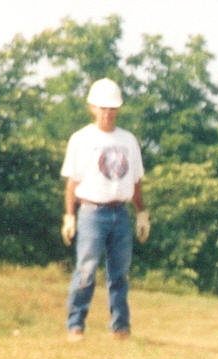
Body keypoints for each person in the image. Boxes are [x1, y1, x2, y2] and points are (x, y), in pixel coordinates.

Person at [60, 77, 150, 341]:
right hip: (91, 213)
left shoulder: (128, 141)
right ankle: (75, 325)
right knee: (86, 271)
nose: (107, 113)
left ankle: (120, 328)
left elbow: (135, 182)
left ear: (118, 109)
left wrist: (142, 213)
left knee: (119, 274)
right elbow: (72, 183)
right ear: (92, 107)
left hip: (120, 213)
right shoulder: (81, 139)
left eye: (112, 108)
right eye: (102, 107)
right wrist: (69, 216)